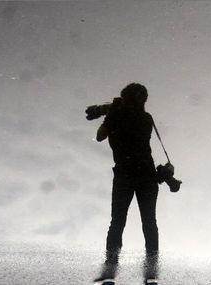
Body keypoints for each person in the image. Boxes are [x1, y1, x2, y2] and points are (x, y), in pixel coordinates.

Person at [93, 83, 159, 285]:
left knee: (117, 222)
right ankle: (151, 270)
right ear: (143, 100)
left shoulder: (117, 117)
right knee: (149, 222)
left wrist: (109, 113)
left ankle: (111, 267)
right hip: (147, 176)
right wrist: (112, 111)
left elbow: (99, 136)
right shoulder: (146, 119)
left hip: (124, 176)